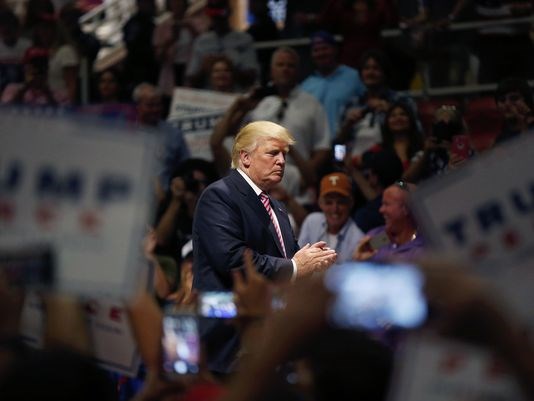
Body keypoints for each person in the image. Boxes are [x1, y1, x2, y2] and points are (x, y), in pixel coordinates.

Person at [192, 120, 337, 374]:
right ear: (245, 158)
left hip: (268, 339)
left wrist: (313, 261)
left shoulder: (277, 207)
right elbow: (233, 260)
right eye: (273, 153)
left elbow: (288, 259)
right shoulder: (219, 195)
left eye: (284, 155)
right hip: (227, 340)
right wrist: (294, 267)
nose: (281, 161)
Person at [211, 46, 331, 191]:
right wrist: (241, 108)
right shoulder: (257, 101)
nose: (285, 69)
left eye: (290, 65)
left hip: (295, 179)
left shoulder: (313, 105)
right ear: (271, 70)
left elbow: (322, 148)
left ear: (298, 71)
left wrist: (304, 177)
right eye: (280, 65)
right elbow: (227, 135)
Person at [300, 30, 365, 137]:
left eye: (325, 48)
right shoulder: (305, 86)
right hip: (317, 147)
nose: (321, 53)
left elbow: (368, 102)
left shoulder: (354, 77)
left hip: (350, 143)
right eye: (316, 50)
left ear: (335, 50)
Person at [185, 0, 259, 90]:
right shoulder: (201, 42)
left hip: (237, 95)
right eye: (214, 16)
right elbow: (191, 80)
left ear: (229, 12)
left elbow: (252, 77)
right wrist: (204, 68)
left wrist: (228, 67)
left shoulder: (244, 40)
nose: (218, 20)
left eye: (220, 15)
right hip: (208, 98)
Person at [133, 83, 190, 197]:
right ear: (138, 106)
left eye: (158, 105)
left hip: (166, 198)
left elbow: (186, 167)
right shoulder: (124, 132)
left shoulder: (174, 134)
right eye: (150, 105)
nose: (155, 109)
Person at [299, 172, 364, 263]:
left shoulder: (358, 239)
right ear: (320, 203)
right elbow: (299, 260)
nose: (335, 209)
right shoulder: (311, 222)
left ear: (351, 203)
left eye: (340, 202)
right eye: (329, 202)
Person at [354, 180, 424, 262]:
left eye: (386, 204)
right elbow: (360, 258)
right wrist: (359, 261)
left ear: (406, 209)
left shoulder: (423, 250)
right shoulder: (379, 237)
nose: (381, 210)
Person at [493, 77, 534, 146]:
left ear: (527, 101)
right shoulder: (501, 139)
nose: (507, 104)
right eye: (502, 100)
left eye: (514, 98)